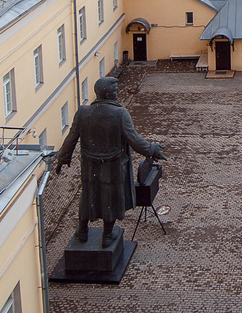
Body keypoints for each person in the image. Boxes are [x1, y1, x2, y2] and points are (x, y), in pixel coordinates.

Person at [56, 76, 165, 247]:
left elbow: (71, 137)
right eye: (115, 89)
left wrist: (63, 157)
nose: (118, 91)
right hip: (113, 166)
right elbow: (134, 141)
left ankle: (82, 231)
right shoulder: (120, 113)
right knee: (110, 198)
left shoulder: (83, 112)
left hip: (89, 165)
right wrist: (152, 149)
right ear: (107, 93)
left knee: (88, 196)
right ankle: (107, 235)